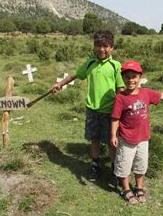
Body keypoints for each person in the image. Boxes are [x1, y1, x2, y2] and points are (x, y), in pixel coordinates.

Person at [51, 30, 124, 188]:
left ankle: (114, 170)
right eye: (98, 45)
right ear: (94, 46)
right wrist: (59, 84)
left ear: (112, 47)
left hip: (110, 111)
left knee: (112, 142)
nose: (101, 49)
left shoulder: (116, 66)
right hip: (92, 109)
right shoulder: (90, 64)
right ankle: (95, 164)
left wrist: (120, 111)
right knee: (94, 139)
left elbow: (120, 90)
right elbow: (74, 76)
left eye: (105, 46)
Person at [110, 60, 163, 204]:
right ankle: (126, 188)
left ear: (140, 77)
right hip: (126, 139)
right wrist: (113, 135)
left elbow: (161, 95)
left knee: (141, 164)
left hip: (143, 138)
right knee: (123, 164)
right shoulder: (120, 98)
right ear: (123, 78)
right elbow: (115, 118)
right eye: (127, 77)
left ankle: (139, 187)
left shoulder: (146, 93)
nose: (131, 80)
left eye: (134, 76)